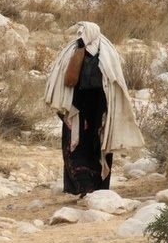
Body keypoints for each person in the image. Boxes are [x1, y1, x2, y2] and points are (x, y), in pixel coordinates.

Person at [44, 22, 144, 197]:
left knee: (77, 148)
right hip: (100, 112)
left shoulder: (75, 51)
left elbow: (68, 81)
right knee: (97, 147)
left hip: (80, 111)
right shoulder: (108, 52)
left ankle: (85, 189)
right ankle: (97, 190)